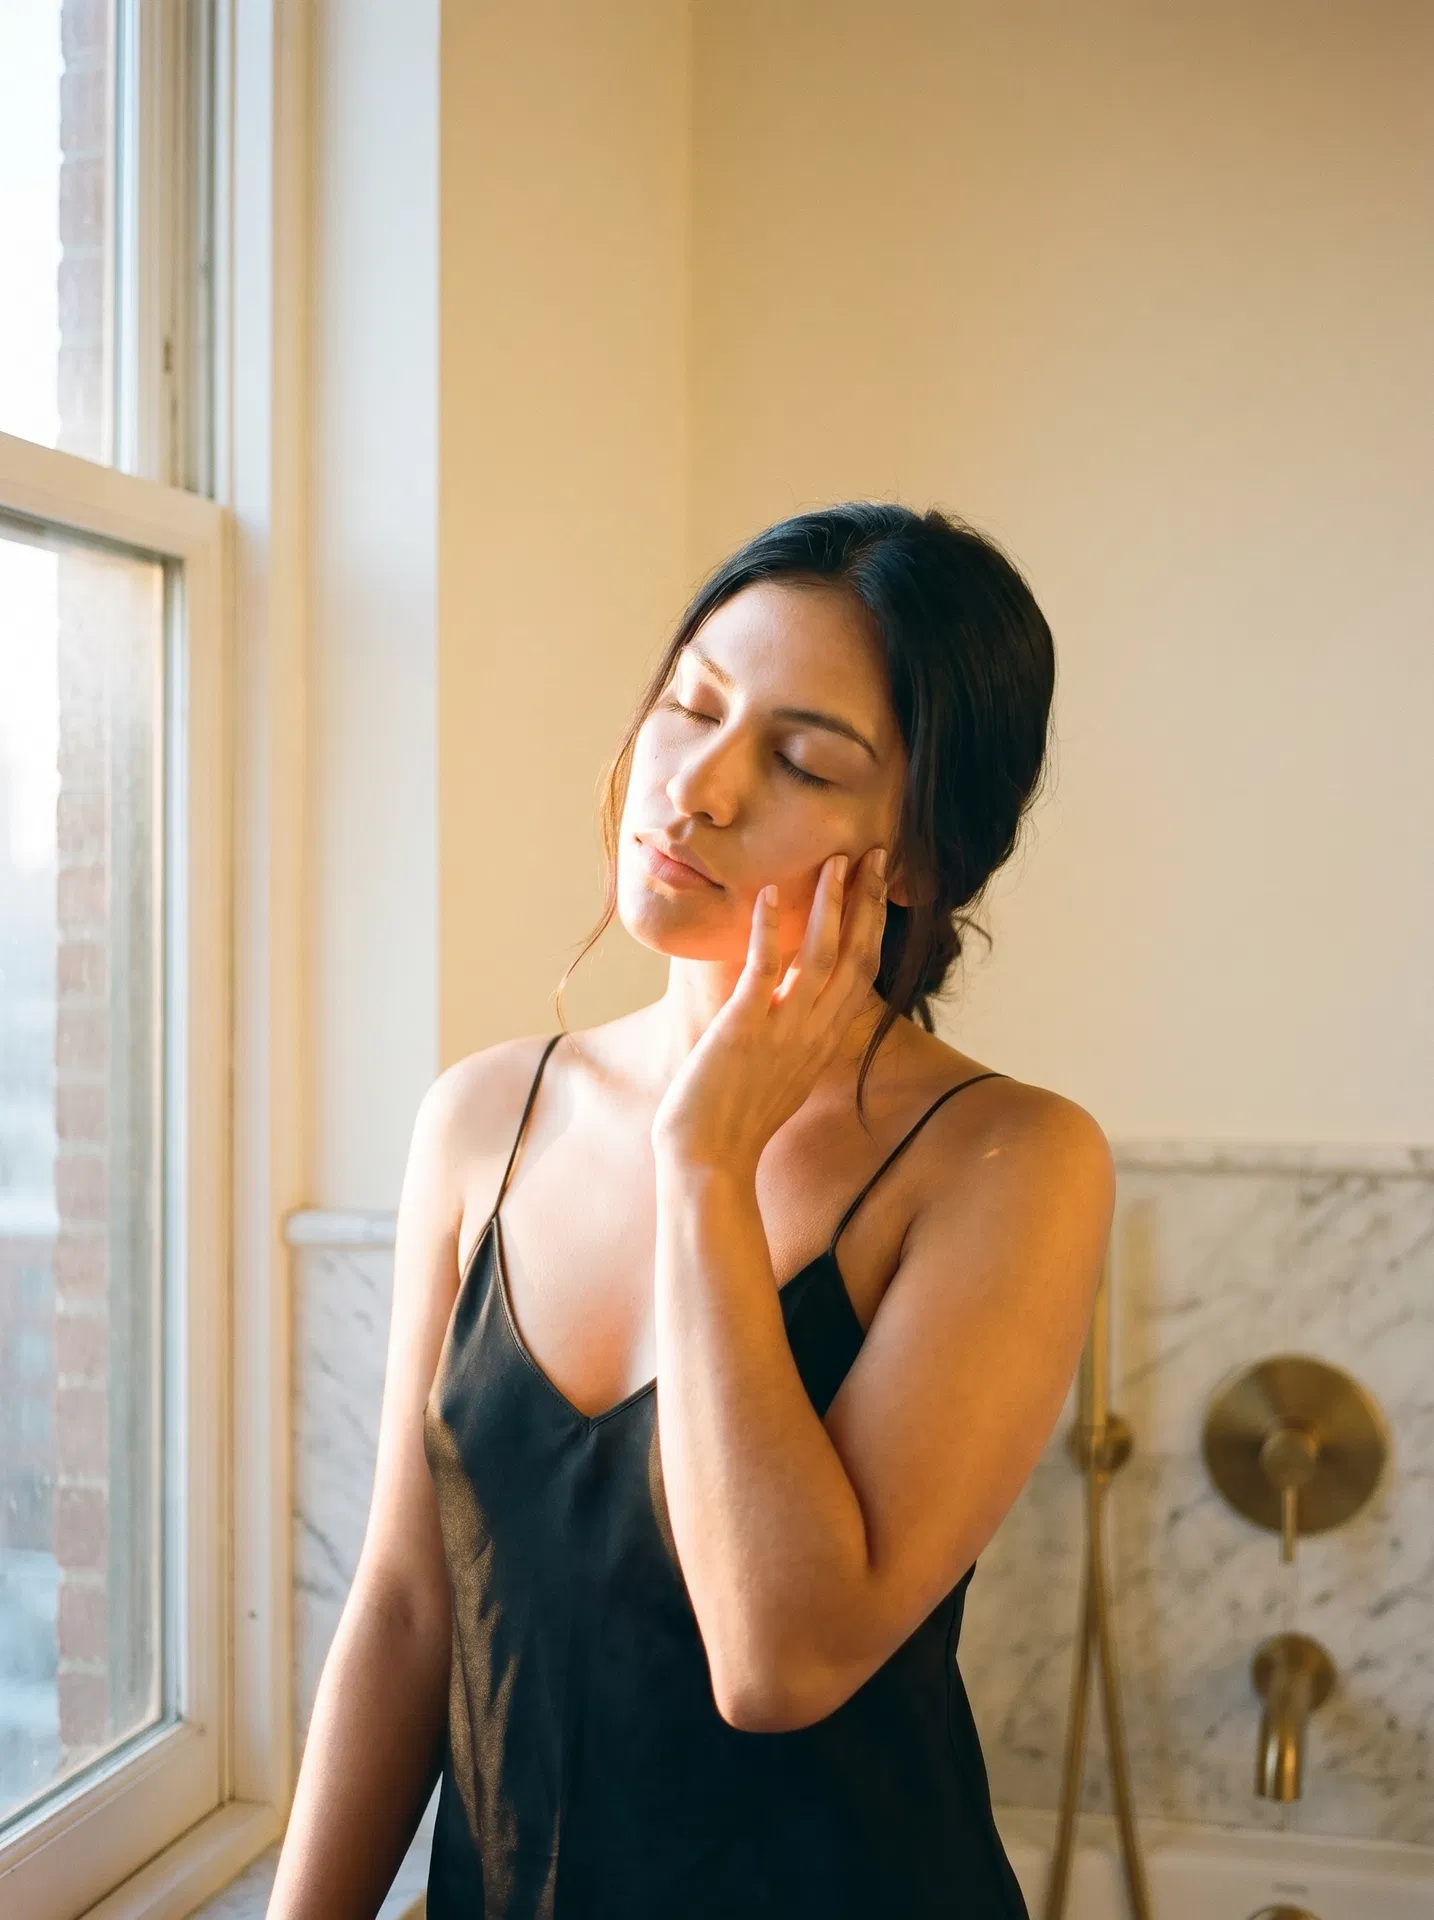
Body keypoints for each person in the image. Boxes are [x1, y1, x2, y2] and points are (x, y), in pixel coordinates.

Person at [269, 503, 1114, 1918]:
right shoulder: (486, 1117)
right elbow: (411, 1610)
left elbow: (777, 1664)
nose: (699, 786)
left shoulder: (1007, 1164)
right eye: (689, 706)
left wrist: (705, 1165)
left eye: (797, 760)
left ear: (915, 856)